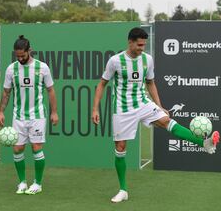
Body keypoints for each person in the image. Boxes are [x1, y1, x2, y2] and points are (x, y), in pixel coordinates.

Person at [92, 27, 219, 203]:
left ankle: (204, 143)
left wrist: (160, 106)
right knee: (120, 148)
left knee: (167, 121)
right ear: (130, 42)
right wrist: (95, 109)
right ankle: (123, 190)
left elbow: (150, 83)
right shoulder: (115, 61)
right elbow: (101, 84)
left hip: (143, 103)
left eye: (144, 45)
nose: (142, 48)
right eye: (139, 45)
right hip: (122, 109)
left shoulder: (147, 59)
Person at [0, 35, 58, 195]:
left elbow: (51, 90)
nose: (20, 58)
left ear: (29, 51)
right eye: (17, 56)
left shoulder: (42, 67)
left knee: (36, 147)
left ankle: (37, 184)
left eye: (22, 56)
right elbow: (6, 92)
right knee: (17, 149)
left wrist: (54, 112)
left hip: (37, 115)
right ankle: (22, 182)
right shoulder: (11, 69)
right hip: (19, 116)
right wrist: (1, 111)